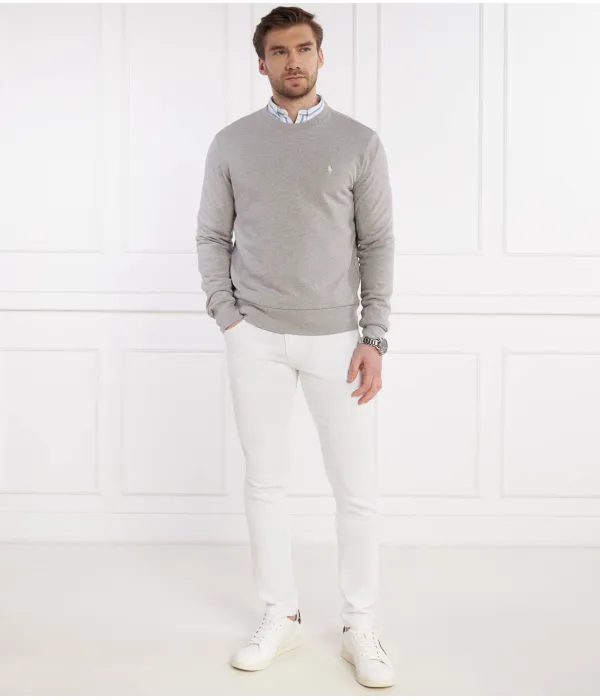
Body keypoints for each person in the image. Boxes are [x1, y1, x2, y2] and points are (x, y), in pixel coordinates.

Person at [195, 5, 395, 689]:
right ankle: (280, 613)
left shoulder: (360, 142)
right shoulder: (232, 143)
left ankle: (360, 625)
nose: (293, 62)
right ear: (262, 64)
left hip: (338, 339)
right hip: (254, 337)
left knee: (356, 488)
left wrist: (374, 336)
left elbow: (377, 243)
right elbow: (211, 235)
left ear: (320, 56)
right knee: (265, 483)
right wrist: (227, 315)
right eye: (279, 52)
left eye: (303, 49)